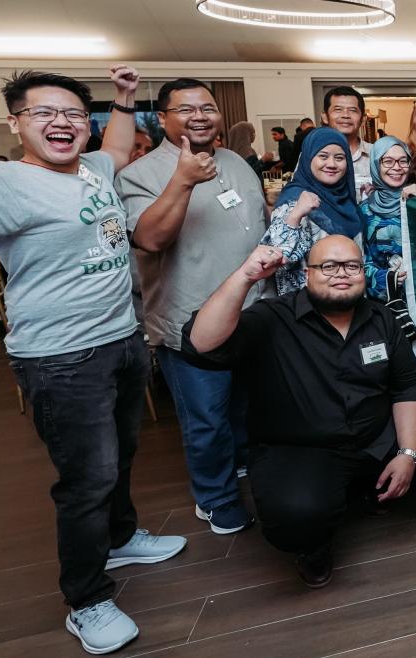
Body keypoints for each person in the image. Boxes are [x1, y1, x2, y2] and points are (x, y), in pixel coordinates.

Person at [0, 65, 187, 655]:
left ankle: (122, 536)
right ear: (15, 122)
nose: (61, 123)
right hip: (59, 357)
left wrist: (123, 98)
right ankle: (86, 599)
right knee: (86, 480)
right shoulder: (4, 183)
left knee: (122, 454)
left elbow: (118, 144)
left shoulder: (96, 167)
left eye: (73, 114)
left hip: (120, 340)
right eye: (43, 113)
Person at [183, 237, 416, 589]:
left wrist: (407, 454)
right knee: (296, 518)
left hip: (374, 436)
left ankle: (366, 489)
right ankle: (313, 545)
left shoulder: (381, 317)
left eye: (351, 266)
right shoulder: (272, 318)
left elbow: (409, 387)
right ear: (307, 273)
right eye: (328, 266)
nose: (341, 274)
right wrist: (244, 277)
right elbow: (202, 343)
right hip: (302, 448)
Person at [116, 77, 271, 537]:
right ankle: (215, 497)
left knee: (244, 405)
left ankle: (240, 466)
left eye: (207, 107)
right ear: (162, 117)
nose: (200, 115)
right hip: (188, 319)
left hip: (251, 312)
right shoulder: (138, 174)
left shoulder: (239, 164)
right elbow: (150, 238)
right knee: (206, 418)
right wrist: (183, 180)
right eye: (186, 109)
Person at [261, 127, 362, 296]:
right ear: (308, 158)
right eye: (323, 156)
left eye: (339, 158)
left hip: (350, 301)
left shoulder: (348, 199)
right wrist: (296, 215)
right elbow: (275, 260)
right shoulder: (294, 199)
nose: (331, 164)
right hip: (307, 307)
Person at [361, 136, 412, 303]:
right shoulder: (364, 210)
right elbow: (360, 259)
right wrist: (386, 278)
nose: (397, 167)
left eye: (403, 161)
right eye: (388, 161)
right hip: (381, 304)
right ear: (376, 165)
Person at [321, 86, 371, 191]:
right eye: (338, 109)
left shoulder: (378, 154)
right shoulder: (313, 154)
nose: (345, 115)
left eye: (353, 110)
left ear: (363, 119)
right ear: (325, 117)